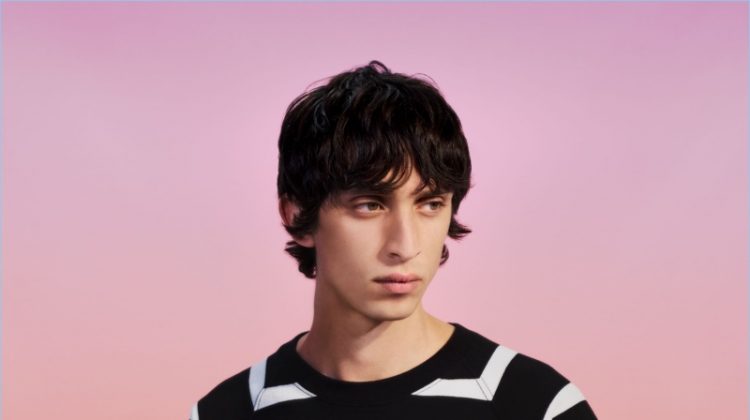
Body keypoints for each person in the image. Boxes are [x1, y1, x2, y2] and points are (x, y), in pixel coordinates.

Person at [189, 61, 597, 420]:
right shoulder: (226, 412)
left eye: (430, 204)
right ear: (298, 217)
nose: (405, 245)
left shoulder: (536, 405)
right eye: (370, 205)